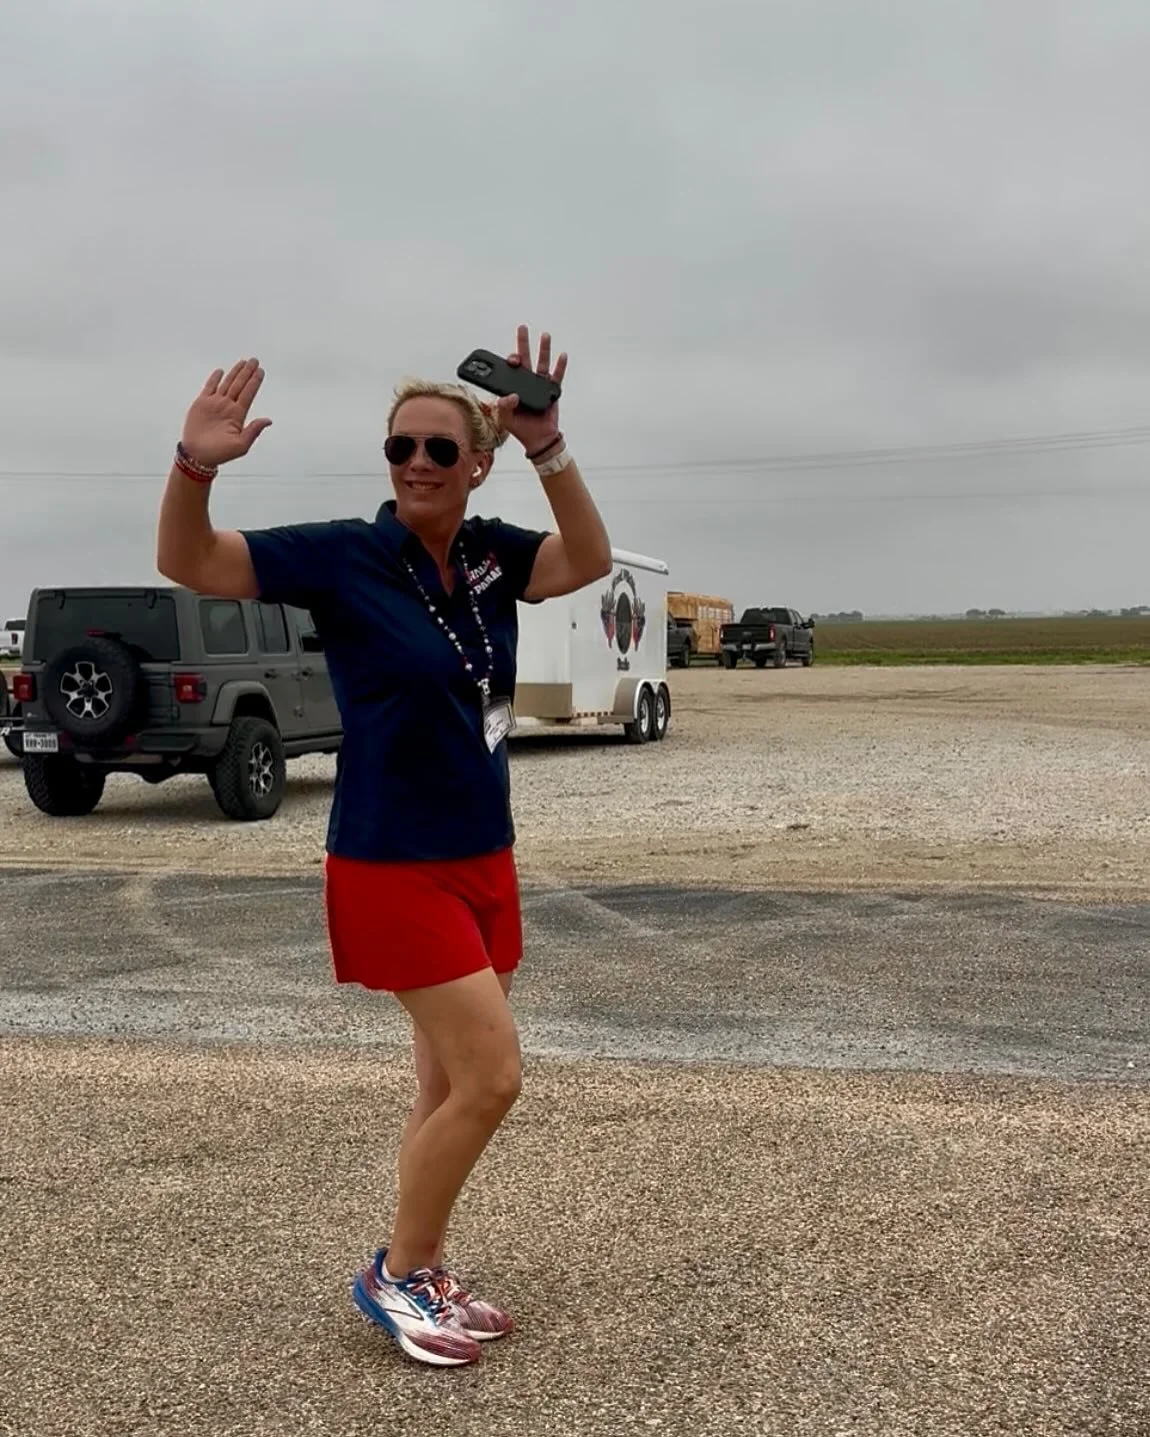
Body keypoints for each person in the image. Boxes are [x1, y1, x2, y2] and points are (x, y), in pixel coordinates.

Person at [156, 326, 612, 1367]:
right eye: (399, 448)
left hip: (480, 853)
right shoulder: (345, 557)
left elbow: (585, 559)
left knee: (444, 1087)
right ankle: (396, 1277)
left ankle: (426, 1262)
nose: (415, 464)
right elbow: (187, 560)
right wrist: (194, 467)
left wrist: (549, 445)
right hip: (387, 862)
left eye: (439, 451)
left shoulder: (495, 554)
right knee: (493, 1079)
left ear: (476, 464)